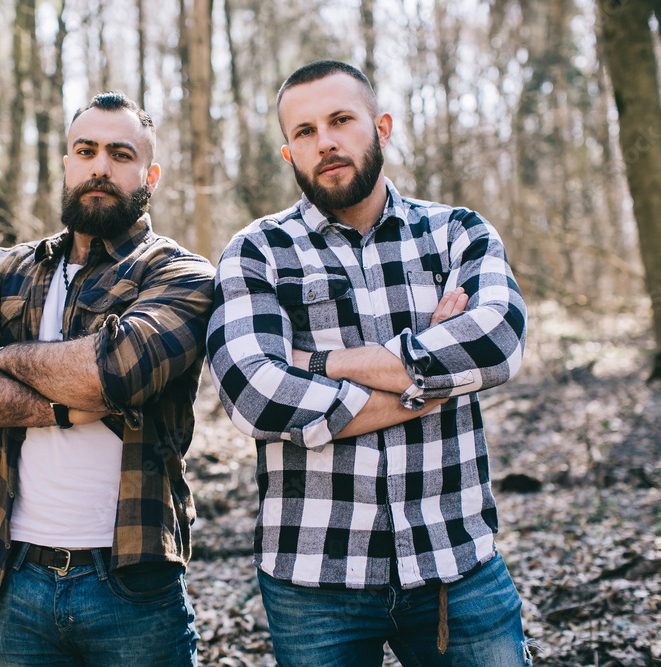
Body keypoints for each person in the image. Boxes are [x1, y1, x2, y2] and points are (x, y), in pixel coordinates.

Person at [206, 60, 532, 666]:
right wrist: (430, 377)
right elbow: (255, 395)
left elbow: (500, 338)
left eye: (340, 120)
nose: (324, 141)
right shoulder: (258, 252)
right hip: (313, 577)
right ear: (288, 155)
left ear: (380, 127)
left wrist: (321, 361)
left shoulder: (455, 233)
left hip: (454, 564)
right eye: (303, 132)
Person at [0, 91, 214, 666]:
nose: (100, 166)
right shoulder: (1, 271)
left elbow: (111, 375)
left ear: (151, 174)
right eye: (85, 150)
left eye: (121, 154)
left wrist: (2, 356)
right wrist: (60, 409)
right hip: (13, 576)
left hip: (131, 584)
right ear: (66, 164)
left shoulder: (180, 274)